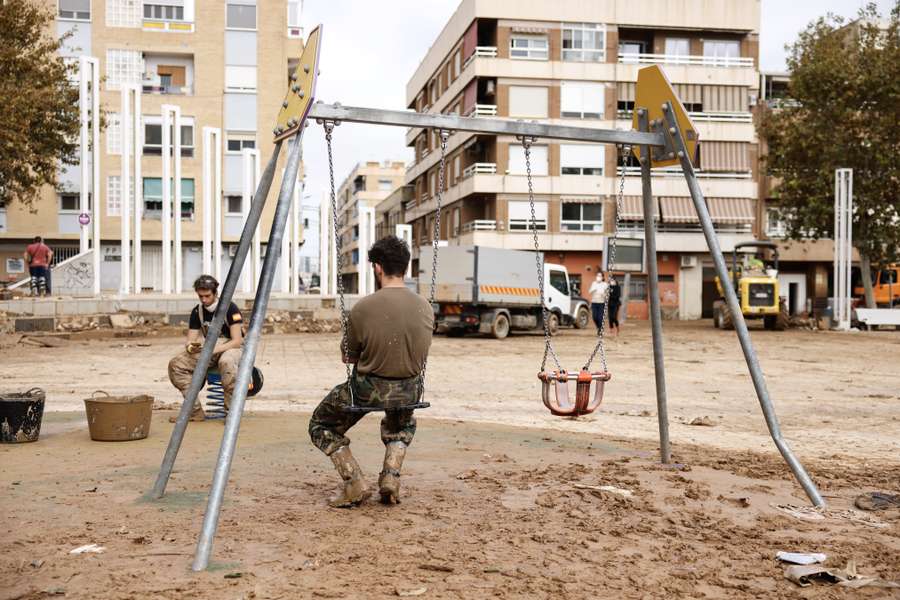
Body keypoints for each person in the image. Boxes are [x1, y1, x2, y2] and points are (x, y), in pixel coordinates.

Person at [308, 235, 433, 508]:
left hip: (367, 390)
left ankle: (354, 482)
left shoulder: (363, 307)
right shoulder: (425, 306)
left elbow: (347, 356)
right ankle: (390, 477)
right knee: (401, 423)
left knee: (321, 424)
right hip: (409, 389)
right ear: (406, 268)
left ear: (377, 267)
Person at [167, 275, 244, 422]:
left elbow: (237, 341)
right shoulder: (198, 312)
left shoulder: (230, 308)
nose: (203, 300)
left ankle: (232, 415)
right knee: (176, 364)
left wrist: (211, 351)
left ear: (215, 293)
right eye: (200, 296)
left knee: (226, 363)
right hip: (210, 348)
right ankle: (194, 411)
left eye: (207, 296)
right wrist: (190, 346)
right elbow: (191, 338)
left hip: (232, 348)